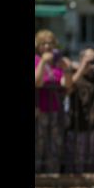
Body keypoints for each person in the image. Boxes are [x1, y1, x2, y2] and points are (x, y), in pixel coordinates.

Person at [35, 29, 73, 173]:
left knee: (55, 147)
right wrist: (43, 61)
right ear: (38, 46)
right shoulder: (36, 60)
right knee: (38, 146)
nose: (47, 46)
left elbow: (67, 85)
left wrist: (67, 69)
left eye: (50, 43)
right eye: (43, 43)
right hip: (39, 112)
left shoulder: (58, 64)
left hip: (56, 111)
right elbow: (37, 83)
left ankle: (53, 175)